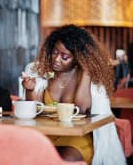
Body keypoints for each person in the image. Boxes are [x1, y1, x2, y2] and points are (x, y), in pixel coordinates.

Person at [22, 24, 126, 165]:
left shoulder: (88, 79)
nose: (56, 59)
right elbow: (36, 109)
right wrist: (30, 90)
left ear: (77, 58)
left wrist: (86, 71)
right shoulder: (44, 74)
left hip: (77, 138)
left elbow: (81, 109)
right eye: (55, 52)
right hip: (47, 135)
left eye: (65, 56)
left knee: (63, 160)